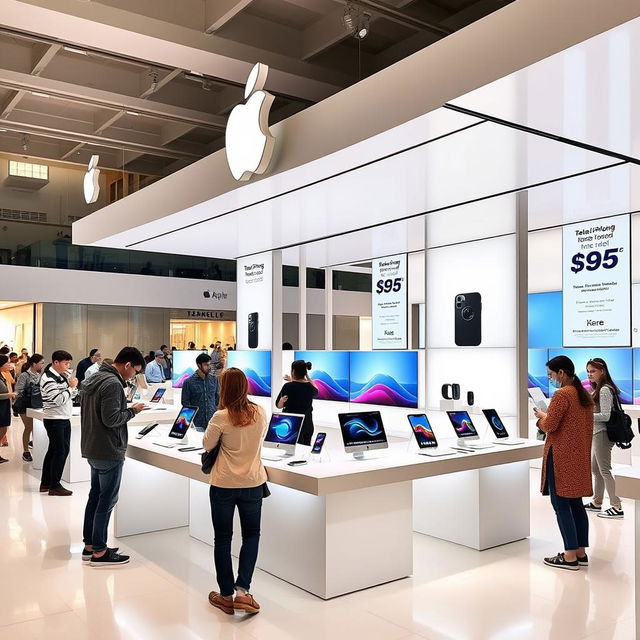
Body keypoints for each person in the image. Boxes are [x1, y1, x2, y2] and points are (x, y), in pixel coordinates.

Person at [203, 368, 267, 615]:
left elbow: (207, 445)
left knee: (223, 538)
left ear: (224, 388)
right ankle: (243, 591)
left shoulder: (220, 416)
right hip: (252, 482)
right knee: (251, 535)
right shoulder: (260, 412)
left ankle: (226, 595)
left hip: (223, 485)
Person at [80, 347, 146, 567]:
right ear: (127, 365)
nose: (134, 376)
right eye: (135, 371)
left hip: (93, 445)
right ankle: (99, 551)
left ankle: (90, 545)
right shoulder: (112, 383)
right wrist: (133, 410)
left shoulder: (96, 378)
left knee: (96, 496)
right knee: (106, 500)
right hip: (108, 449)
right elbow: (111, 419)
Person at [534, 355, 593, 571]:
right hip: (577, 458)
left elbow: (550, 425)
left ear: (561, 373)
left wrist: (541, 416)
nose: (550, 379)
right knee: (575, 503)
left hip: (560, 457)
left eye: (550, 375)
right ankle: (580, 551)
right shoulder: (582, 394)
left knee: (561, 505)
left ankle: (569, 556)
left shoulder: (562, 394)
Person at [584, 357, 624, 519]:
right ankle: (597, 501)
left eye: (593, 371)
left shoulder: (605, 390)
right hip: (598, 434)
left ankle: (616, 506)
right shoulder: (598, 389)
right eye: (588, 371)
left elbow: (606, 416)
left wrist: (587, 415)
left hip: (603, 434)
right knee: (596, 469)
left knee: (604, 470)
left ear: (603, 371)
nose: (589, 374)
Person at [39, 350, 78, 496]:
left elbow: (68, 397)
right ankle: (54, 485)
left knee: (54, 451)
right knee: (61, 451)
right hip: (55, 419)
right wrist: (71, 387)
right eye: (66, 363)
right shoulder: (48, 378)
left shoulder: (59, 376)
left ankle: (46, 482)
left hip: (61, 418)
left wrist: (71, 388)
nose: (68, 366)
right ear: (56, 362)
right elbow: (58, 400)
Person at [275, 359, 318, 446]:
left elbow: (278, 405)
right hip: (307, 424)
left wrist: (282, 401)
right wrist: (307, 377)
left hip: (292, 424)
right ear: (305, 373)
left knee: (291, 451)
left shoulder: (288, 386)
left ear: (293, 371)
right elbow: (314, 389)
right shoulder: (310, 388)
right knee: (305, 451)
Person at [14, 353, 44, 462]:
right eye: (41, 363)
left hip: (36, 404)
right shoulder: (24, 375)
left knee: (35, 427)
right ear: (34, 364)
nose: (42, 365)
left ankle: (35, 445)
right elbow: (18, 391)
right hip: (25, 405)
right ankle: (25, 451)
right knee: (29, 427)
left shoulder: (39, 375)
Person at [181, 353, 219, 432]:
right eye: (206, 365)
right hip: (197, 422)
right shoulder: (188, 382)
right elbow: (185, 403)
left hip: (212, 421)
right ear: (199, 365)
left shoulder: (214, 379)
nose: (209, 367)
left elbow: (217, 398)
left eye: (209, 365)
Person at [0, 355, 16, 464]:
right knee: (2, 429)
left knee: (4, 428)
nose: (9, 365)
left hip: (4, 406)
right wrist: (9, 395)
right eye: (7, 363)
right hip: (1, 406)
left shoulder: (3, 375)